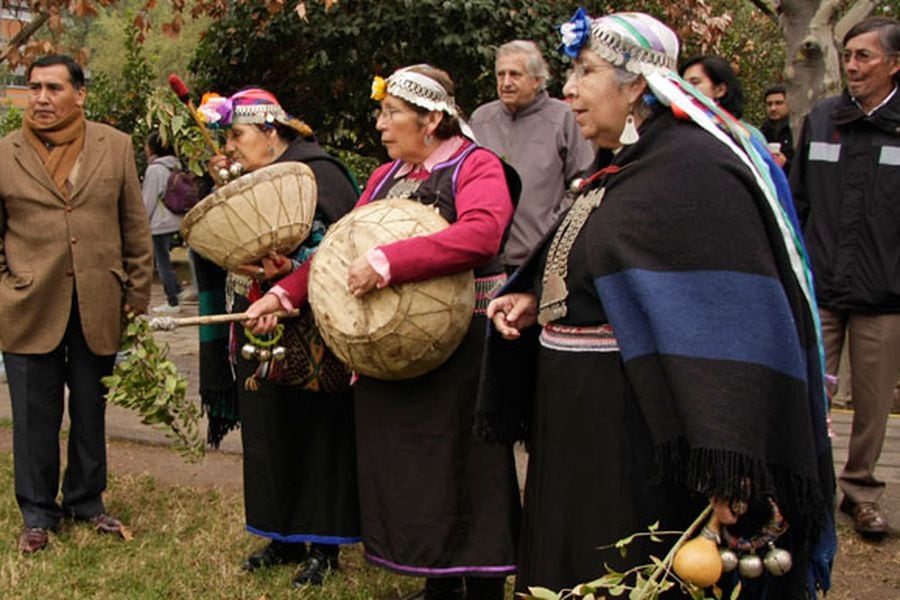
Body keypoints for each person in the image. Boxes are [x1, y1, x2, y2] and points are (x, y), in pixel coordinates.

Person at [479, 10, 835, 598]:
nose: (569, 89)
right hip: (577, 426)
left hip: (634, 436)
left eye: (585, 71)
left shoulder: (695, 172)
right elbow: (596, 262)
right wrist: (531, 295)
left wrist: (734, 461)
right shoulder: (624, 166)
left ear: (637, 83)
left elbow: (728, 324)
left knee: (620, 560)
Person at [245, 65, 520, 600]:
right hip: (392, 353)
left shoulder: (476, 165)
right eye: (382, 112)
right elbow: (340, 249)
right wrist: (285, 296)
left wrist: (391, 261)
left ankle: (481, 586)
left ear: (433, 119)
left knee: (463, 462)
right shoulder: (385, 177)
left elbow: (483, 232)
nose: (380, 125)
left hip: (462, 346)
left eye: (392, 113)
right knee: (415, 467)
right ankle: (439, 581)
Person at [196, 88, 361, 588]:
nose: (234, 145)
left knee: (316, 431)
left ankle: (323, 545)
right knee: (269, 427)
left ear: (271, 133)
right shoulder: (248, 177)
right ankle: (282, 534)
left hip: (312, 325)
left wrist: (292, 268)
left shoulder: (319, 172)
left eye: (240, 135)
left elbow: (342, 242)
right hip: (259, 315)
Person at [0, 54, 153, 553]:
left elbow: (135, 227)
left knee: (91, 409)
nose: (41, 98)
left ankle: (86, 500)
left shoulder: (116, 146)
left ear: (80, 95)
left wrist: (136, 296)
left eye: (53, 88)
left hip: (99, 303)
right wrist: (7, 285)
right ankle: (39, 512)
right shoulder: (6, 152)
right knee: (33, 416)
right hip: (28, 305)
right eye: (34, 87)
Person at [790, 16, 900, 541]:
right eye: (849, 55)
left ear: (895, 64)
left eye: (865, 56)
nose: (853, 66)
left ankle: (861, 494)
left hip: (886, 294)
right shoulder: (822, 119)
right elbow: (799, 201)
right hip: (822, 290)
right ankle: (805, 488)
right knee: (808, 389)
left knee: (874, 405)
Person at [470, 40, 593, 271]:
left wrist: (550, 229)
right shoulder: (481, 119)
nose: (506, 82)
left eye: (515, 74)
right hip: (488, 261)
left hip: (541, 257)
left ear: (537, 80)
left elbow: (583, 182)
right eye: (501, 74)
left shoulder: (565, 117)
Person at [679, 55, 768, 145]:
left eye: (695, 82)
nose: (685, 88)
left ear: (720, 90)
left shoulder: (749, 135)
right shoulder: (676, 126)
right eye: (682, 83)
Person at [141, 131, 184, 314]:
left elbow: (148, 200)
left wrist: (141, 220)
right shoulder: (176, 166)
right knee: (165, 258)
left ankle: (173, 301)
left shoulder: (154, 169)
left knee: (162, 262)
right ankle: (178, 291)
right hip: (176, 218)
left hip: (159, 222)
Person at [760, 84, 794, 172]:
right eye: (769, 104)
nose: (773, 108)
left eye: (778, 103)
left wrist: (786, 163)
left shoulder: (795, 131)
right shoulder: (761, 133)